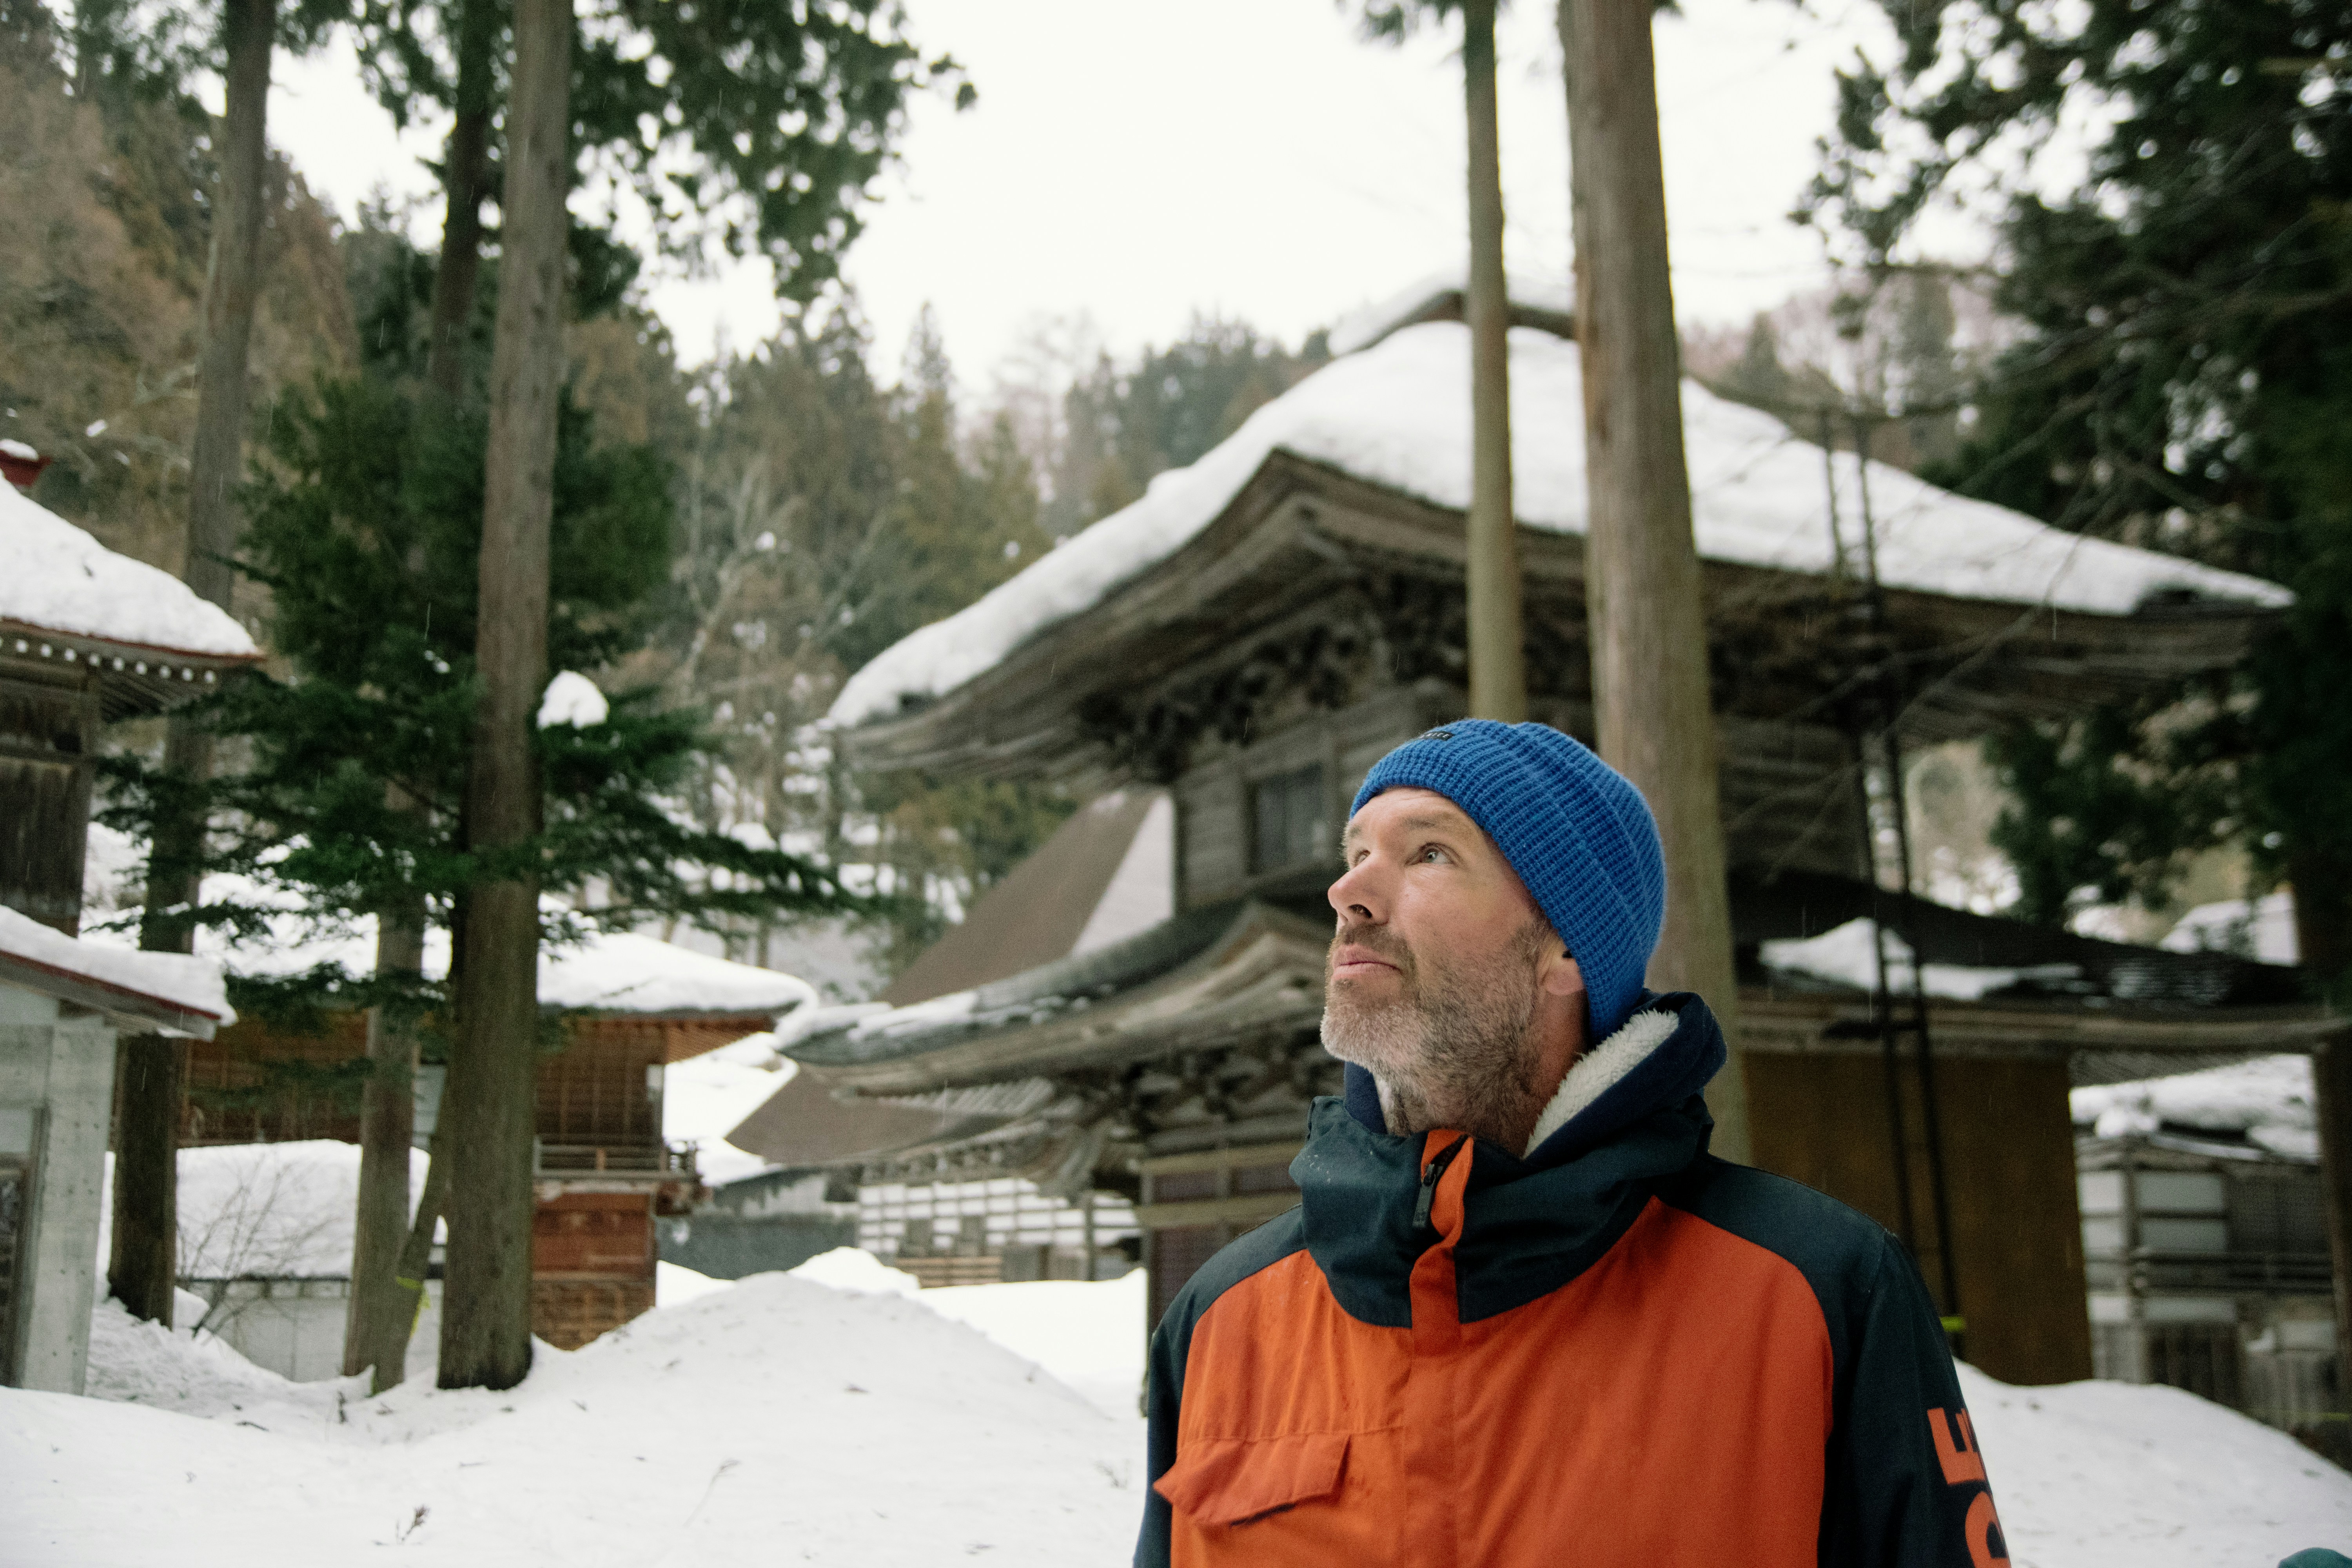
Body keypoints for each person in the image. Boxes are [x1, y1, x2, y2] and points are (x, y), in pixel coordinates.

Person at [1135, 720, 2008, 1568]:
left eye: (1429, 852)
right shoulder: (1220, 1324)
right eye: (1356, 852)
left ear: (1566, 943)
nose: (1348, 890)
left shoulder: (1819, 1293)